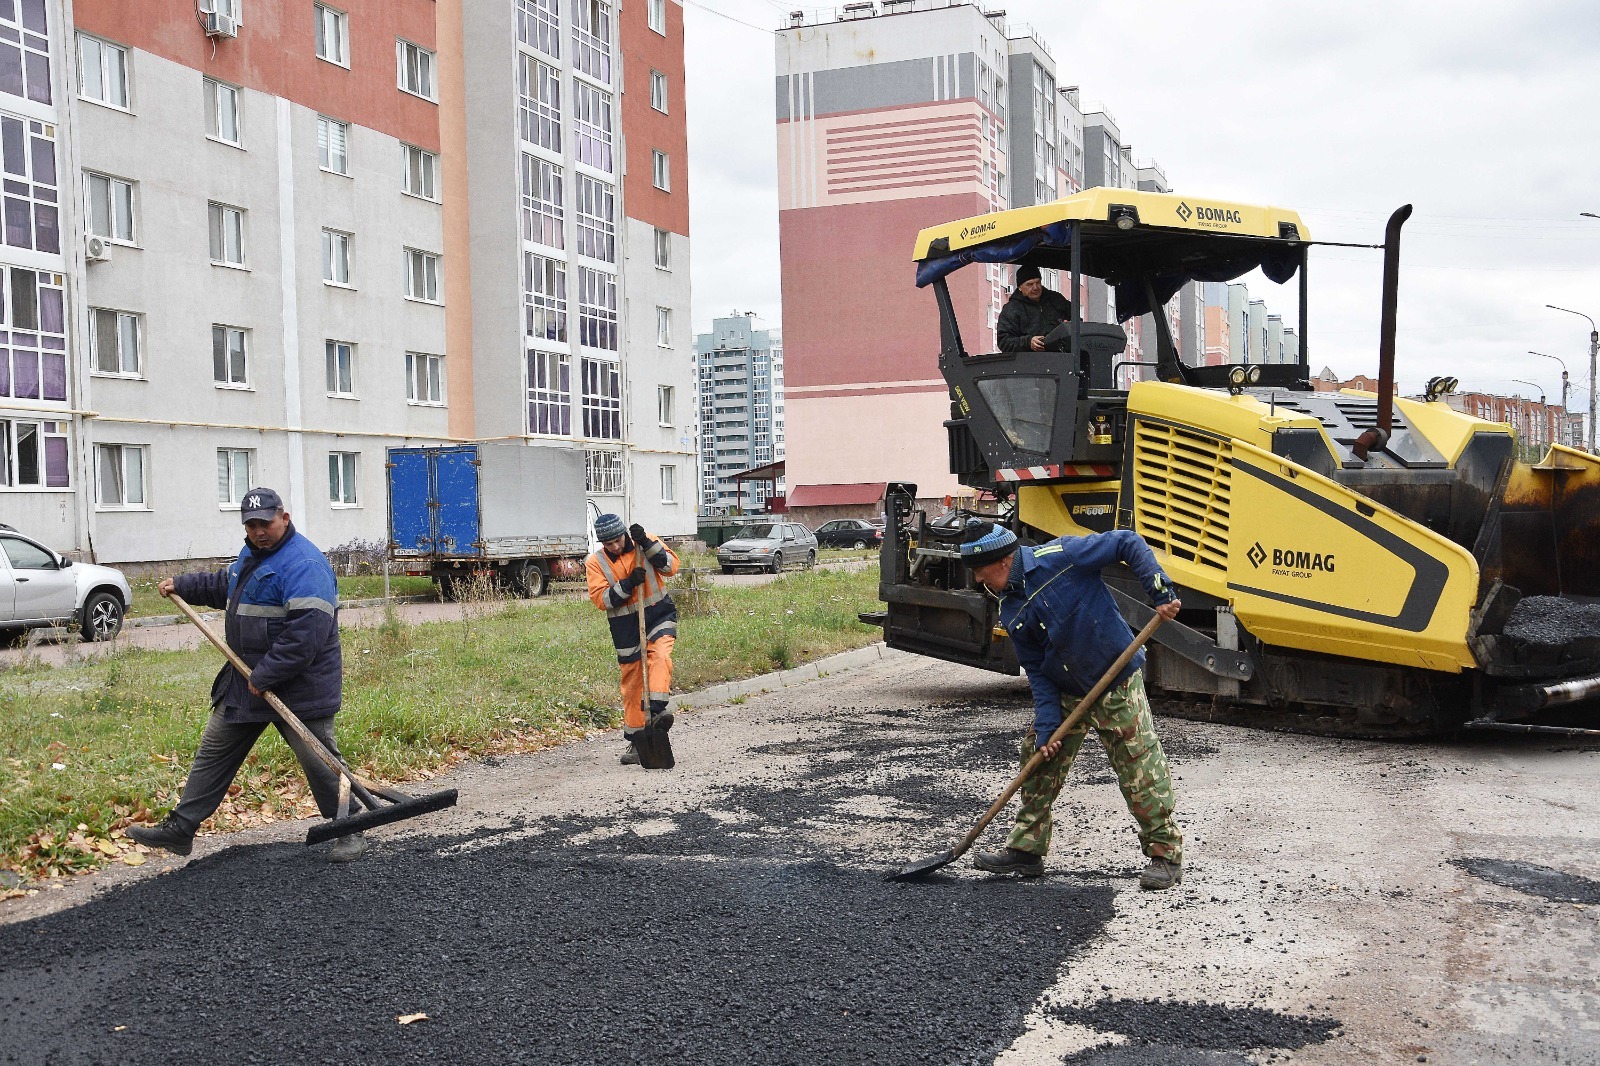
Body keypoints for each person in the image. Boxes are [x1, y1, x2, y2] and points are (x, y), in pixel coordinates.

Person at [127, 488, 366, 863]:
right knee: (213, 752)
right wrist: (184, 585)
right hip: (247, 681)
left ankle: (349, 828)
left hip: (299, 687)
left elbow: (305, 636)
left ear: (284, 518)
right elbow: (227, 586)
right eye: (251, 525)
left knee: (321, 762)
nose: (258, 531)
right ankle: (181, 829)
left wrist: (266, 674)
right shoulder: (251, 555)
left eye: (265, 523)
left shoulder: (305, 565)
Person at [960, 518, 1185, 890]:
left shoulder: (1062, 555)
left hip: (1114, 679)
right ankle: (1027, 850)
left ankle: (1165, 854)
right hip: (1066, 690)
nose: (978, 580)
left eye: (981, 572)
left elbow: (1127, 542)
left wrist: (1159, 590)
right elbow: (1037, 670)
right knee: (1038, 757)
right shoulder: (1010, 607)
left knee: (1139, 766)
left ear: (1002, 561)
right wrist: (1048, 725)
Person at [585, 513, 680, 766]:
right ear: (602, 544)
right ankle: (638, 741)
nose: (615, 547)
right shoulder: (595, 563)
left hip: (659, 614)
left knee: (660, 656)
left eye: (618, 540)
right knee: (633, 682)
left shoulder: (644, 541)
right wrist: (628, 584)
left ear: (625, 534)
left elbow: (671, 567)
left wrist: (647, 545)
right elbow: (601, 600)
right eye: (609, 544)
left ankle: (656, 713)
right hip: (625, 627)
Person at [997, 264, 1074, 352]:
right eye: (1029, 284)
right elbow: (1003, 342)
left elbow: (1077, 321)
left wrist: (1068, 328)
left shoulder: (1056, 299)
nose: (1035, 288)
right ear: (1020, 287)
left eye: (1038, 283)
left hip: (1062, 356)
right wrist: (1028, 342)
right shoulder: (1011, 309)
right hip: (1030, 359)